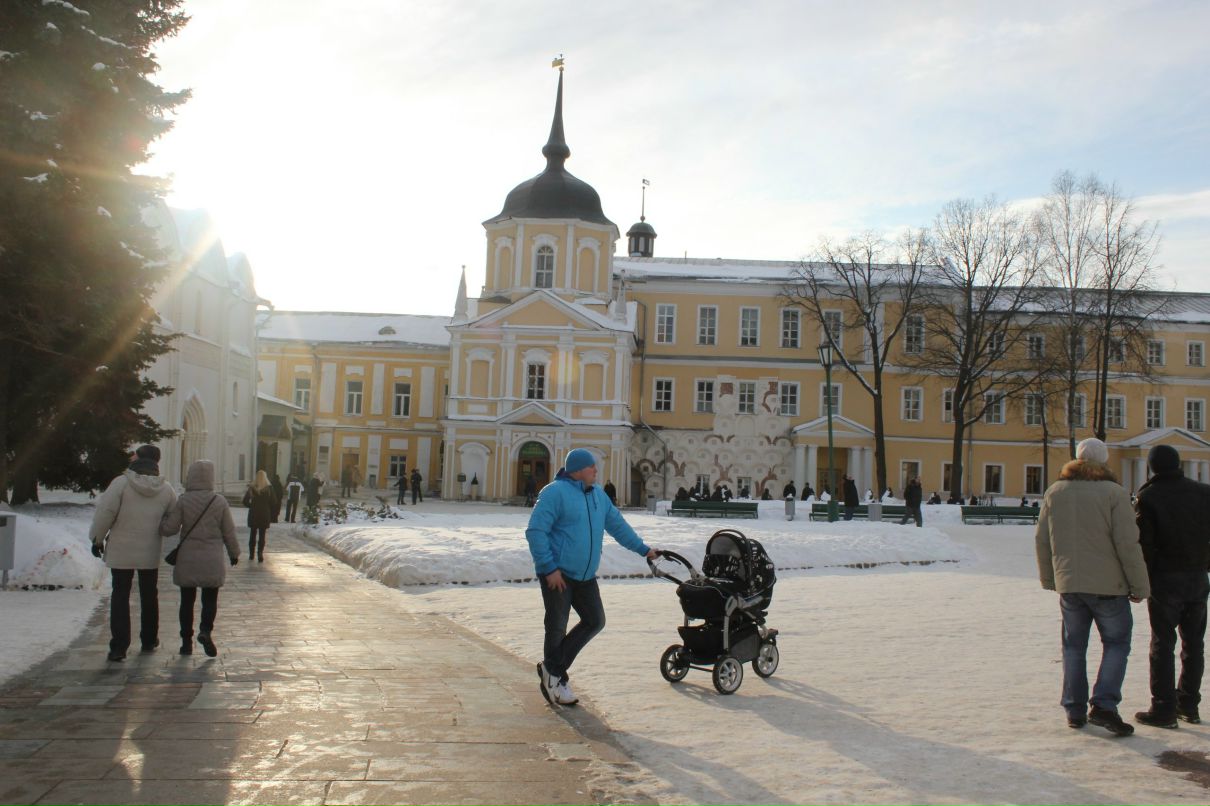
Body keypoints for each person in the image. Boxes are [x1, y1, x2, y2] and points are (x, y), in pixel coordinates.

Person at [1035, 437, 1150, 736]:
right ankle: (1104, 705)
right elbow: (1127, 543)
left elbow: (1043, 539)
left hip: (1070, 584)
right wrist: (1139, 585)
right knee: (1116, 643)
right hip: (1109, 586)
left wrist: (1050, 578)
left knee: (1073, 646)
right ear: (1104, 460)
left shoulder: (1056, 491)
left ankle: (1074, 708)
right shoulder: (1114, 493)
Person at [526, 448, 656, 707]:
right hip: (558, 574)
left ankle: (552, 670)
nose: (596, 470)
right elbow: (536, 531)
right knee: (556, 627)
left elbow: (618, 526)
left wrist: (644, 549)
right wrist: (549, 568)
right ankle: (557, 680)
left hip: (585, 576)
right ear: (577, 469)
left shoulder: (598, 495)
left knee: (595, 620)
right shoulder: (554, 493)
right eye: (591, 466)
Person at [1133, 444, 1210, 728]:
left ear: (1153, 467)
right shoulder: (1204, 492)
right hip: (1197, 576)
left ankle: (1163, 708)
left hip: (1165, 579)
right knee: (1194, 644)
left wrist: (1143, 579)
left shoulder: (1148, 496)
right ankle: (1188, 704)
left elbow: (1145, 545)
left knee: (1162, 644)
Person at [89, 445, 178, 662]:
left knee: (120, 594)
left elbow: (106, 512)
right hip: (149, 549)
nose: (131, 456)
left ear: (139, 458)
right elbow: (173, 519)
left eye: (135, 454)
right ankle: (149, 638)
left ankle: (119, 646)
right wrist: (160, 528)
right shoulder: (166, 489)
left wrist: (97, 538)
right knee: (149, 594)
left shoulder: (121, 483)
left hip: (122, 548)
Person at [160, 460, 240, 657]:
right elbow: (229, 531)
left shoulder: (184, 500)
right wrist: (234, 553)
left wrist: (162, 522)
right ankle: (205, 631)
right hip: (212, 558)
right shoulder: (219, 501)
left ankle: (186, 642)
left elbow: (170, 529)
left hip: (188, 557)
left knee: (187, 601)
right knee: (209, 599)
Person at [242, 470, 275, 563]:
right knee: (262, 535)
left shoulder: (252, 488)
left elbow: (245, 501)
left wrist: (251, 506)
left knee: (252, 533)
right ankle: (260, 554)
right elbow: (274, 501)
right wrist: (267, 507)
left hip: (254, 514)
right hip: (264, 514)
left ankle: (251, 554)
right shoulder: (269, 488)